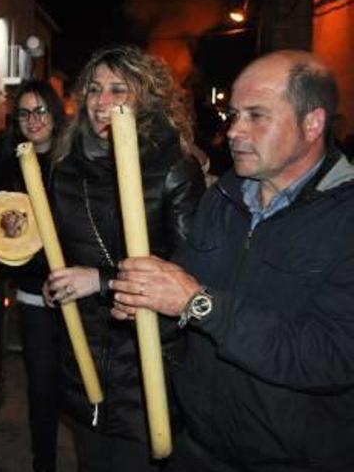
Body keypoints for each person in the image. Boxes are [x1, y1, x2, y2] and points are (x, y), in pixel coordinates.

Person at [110, 51, 351, 472]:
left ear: (312, 124)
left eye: (257, 115)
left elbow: (331, 357)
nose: (235, 131)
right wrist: (151, 303)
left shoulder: (346, 219)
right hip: (198, 445)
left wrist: (196, 303)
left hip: (296, 460)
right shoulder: (224, 197)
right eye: (234, 114)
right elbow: (189, 298)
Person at [40, 45, 205, 472]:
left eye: (118, 90)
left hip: (149, 362)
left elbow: (191, 271)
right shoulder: (66, 165)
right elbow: (62, 247)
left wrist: (101, 280)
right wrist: (53, 279)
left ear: (146, 99)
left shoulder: (173, 168)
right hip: (84, 353)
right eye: (94, 89)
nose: (101, 102)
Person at [2, 78, 68, 472]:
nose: (33, 119)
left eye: (40, 110)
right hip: (32, 294)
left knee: (76, 388)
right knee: (41, 388)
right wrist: (8, 227)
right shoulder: (11, 164)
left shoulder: (77, 162)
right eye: (25, 112)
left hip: (78, 290)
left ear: (55, 114)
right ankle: (44, 463)